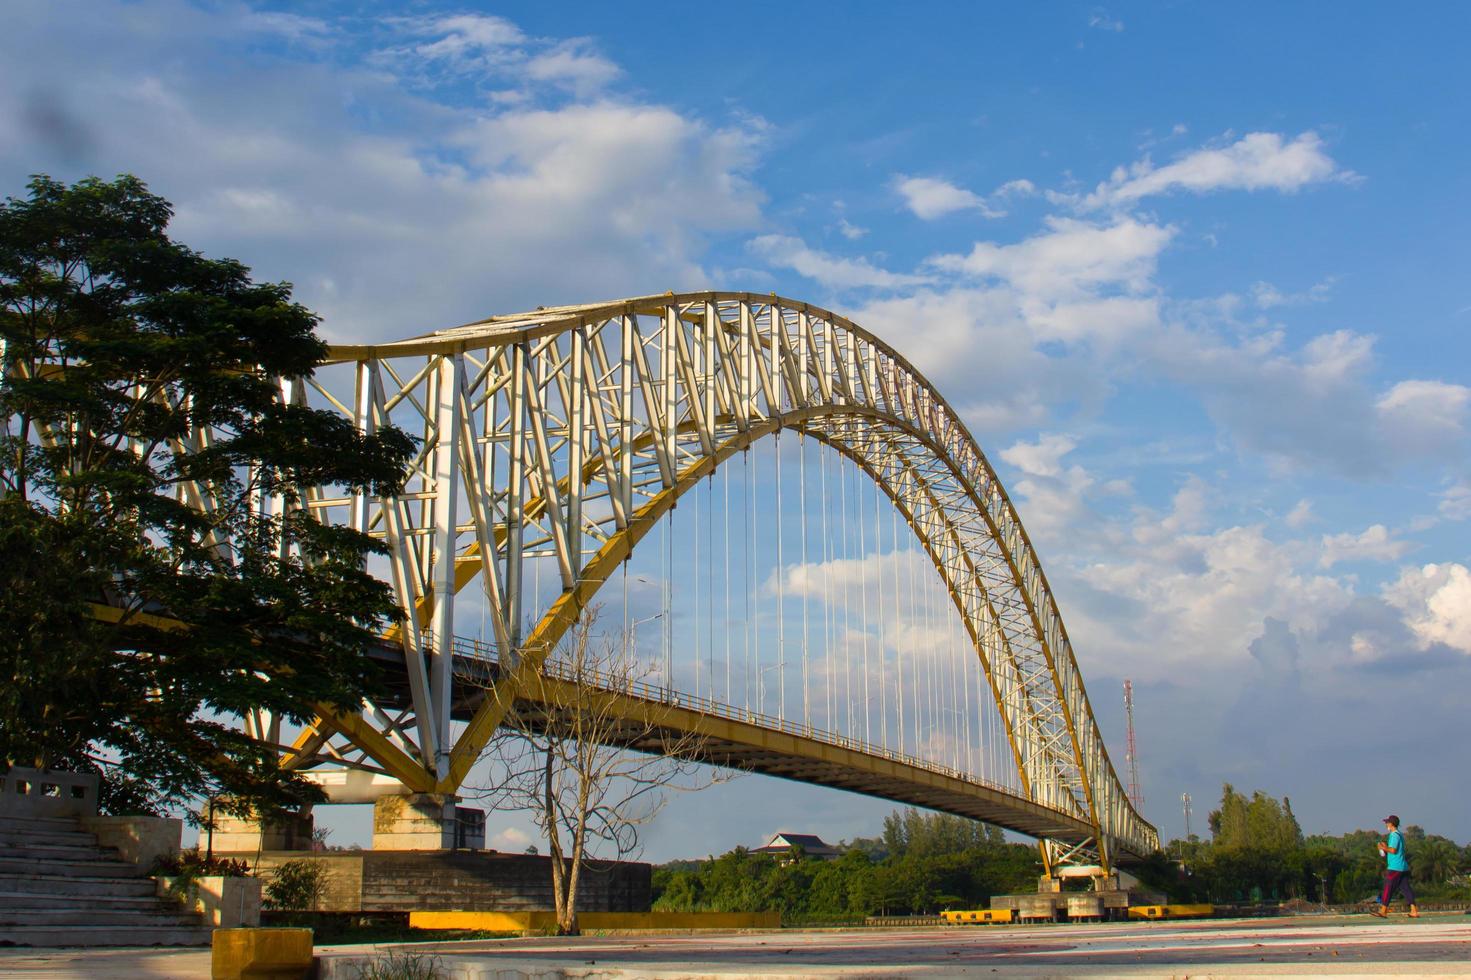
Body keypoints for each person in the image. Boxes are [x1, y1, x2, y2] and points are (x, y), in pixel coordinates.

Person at [1372, 815, 1420, 919]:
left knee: (1388, 888)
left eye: (1387, 822)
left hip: (1395, 867)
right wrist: (1385, 847)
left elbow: (1393, 850)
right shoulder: (1400, 835)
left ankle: (1383, 910)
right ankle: (1414, 911)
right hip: (1403, 867)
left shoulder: (1394, 835)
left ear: (1391, 824)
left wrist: (1383, 847)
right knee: (1406, 889)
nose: (1386, 824)